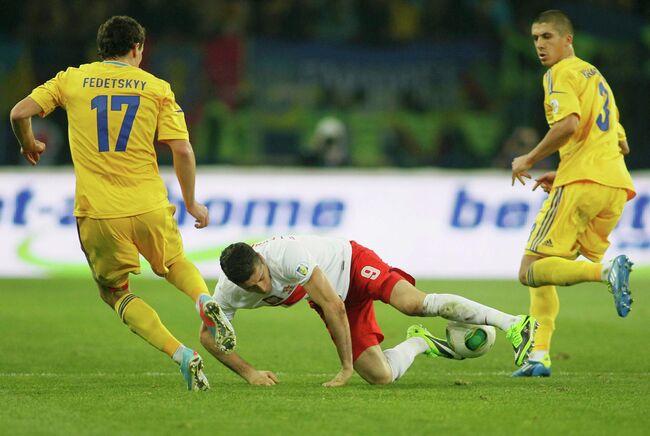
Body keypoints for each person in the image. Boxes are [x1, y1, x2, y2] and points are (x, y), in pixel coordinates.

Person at [9, 16, 236, 390]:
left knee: (115, 293)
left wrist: (28, 143)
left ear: (102, 48)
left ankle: (182, 355)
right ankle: (203, 299)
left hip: (98, 212)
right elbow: (182, 149)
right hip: (147, 204)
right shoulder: (156, 87)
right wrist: (192, 203)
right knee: (175, 262)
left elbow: (19, 113)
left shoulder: (71, 79)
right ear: (136, 49)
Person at [199, 235, 537, 387]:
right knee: (380, 376)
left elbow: (333, 305)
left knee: (412, 304)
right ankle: (422, 343)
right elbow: (208, 337)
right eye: (251, 287)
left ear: (262, 261)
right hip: (331, 299)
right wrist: (250, 372)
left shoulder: (285, 254)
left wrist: (345, 368)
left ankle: (513, 323)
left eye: (262, 278)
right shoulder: (228, 292)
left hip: (352, 264)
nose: (261, 289)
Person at [510, 10, 636, 377]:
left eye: (547, 37)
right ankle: (539, 355)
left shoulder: (558, 74)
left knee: (529, 270)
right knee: (545, 263)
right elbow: (621, 143)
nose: (539, 45)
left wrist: (530, 158)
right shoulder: (596, 77)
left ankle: (606, 272)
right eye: (535, 38)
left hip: (582, 184)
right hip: (614, 187)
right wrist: (564, 167)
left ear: (568, 39)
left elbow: (569, 124)